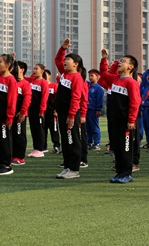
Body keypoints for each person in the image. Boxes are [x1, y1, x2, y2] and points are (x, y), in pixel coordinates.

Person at [98, 49, 141, 183]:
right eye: (120, 61)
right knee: (117, 147)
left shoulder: (131, 82)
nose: (120, 63)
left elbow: (135, 102)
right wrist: (104, 59)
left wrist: (131, 120)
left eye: (123, 61)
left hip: (125, 121)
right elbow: (103, 74)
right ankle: (119, 172)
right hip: (115, 120)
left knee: (125, 148)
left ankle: (127, 173)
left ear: (131, 67)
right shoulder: (115, 79)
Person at [54, 38, 87, 179]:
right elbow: (57, 60)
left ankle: (74, 169)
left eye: (68, 59)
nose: (65, 61)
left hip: (70, 114)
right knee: (66, 141)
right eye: (65, 59)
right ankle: (67, 167)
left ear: (75, 64)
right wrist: (63, 48)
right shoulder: (64, 74)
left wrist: (72, 115)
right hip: (62, 113)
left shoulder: (77, 78)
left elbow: (76, 98)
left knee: (72, 141)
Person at [10, 60, 33, 166]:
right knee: (11, 135)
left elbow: (27, 98)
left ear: (22, 70)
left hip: (19, 114)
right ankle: (12, 155)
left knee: (19, 135)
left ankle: (20, 157)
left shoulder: (25, 83)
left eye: (16, 67)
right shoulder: (12, 81)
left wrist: (23, 112)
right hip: (10, 113)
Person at [26, 63, 50, 158]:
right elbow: (24, 78)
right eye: (34, 69)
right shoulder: (31, 81)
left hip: (39, 110)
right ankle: (35, 148)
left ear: (42, 71)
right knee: (33, 129)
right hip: (31, 110)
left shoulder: (43, 82)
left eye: (36, 69)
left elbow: (44, 97)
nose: (34, 70)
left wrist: (41, 110)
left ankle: (40, 149)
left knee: (40, 129)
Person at [86, 70, 104, 151]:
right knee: (87, 127)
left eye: (92, 75)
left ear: (97, 76)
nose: (90, 77)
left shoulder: (98, 88)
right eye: (89, 75)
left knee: (94, 127)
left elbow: (99, 100)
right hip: (86, 109)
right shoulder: (88, 86)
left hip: (93, 110)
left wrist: (98, 109)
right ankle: (89, 142)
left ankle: (97, 143)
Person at [44, 69, 61, 154]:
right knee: (43, 130)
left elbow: (57, 99)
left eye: (45, 74)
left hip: (52, 112)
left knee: (54, 130)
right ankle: (43, 146)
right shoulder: (41, 85)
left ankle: (56, 146)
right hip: (43, 112)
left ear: (50, 76)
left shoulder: (54, 85)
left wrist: (56, 110)